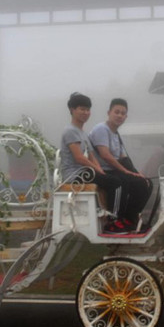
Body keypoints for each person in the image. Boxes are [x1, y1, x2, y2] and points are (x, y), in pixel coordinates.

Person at [59, 92, 128, 233]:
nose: (86, 112)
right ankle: (113, 220)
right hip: (74, 175)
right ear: (72, 110)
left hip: (85, 172)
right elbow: (79, 158)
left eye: (88, 109)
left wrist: (99, 170)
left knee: (117, 179)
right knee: (115, 182)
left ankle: (114, 216)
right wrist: (96, 170)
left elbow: (91, 155)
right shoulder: (70, 131)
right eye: (82, 109)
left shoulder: (82, 132)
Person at [89, 98, 152, 231]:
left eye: (123, 113)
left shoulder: (116, 134)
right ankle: (114, 221)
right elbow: (106, 156)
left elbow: (124, 158)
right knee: (121, 181)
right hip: (102, 170)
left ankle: (130, 218)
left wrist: (137, 173)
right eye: (116, 112)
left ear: (126, 116)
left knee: (145, 183)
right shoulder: (102, 129)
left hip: (114, 169)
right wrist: (126, 171)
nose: (120, 116)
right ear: (109, 112)